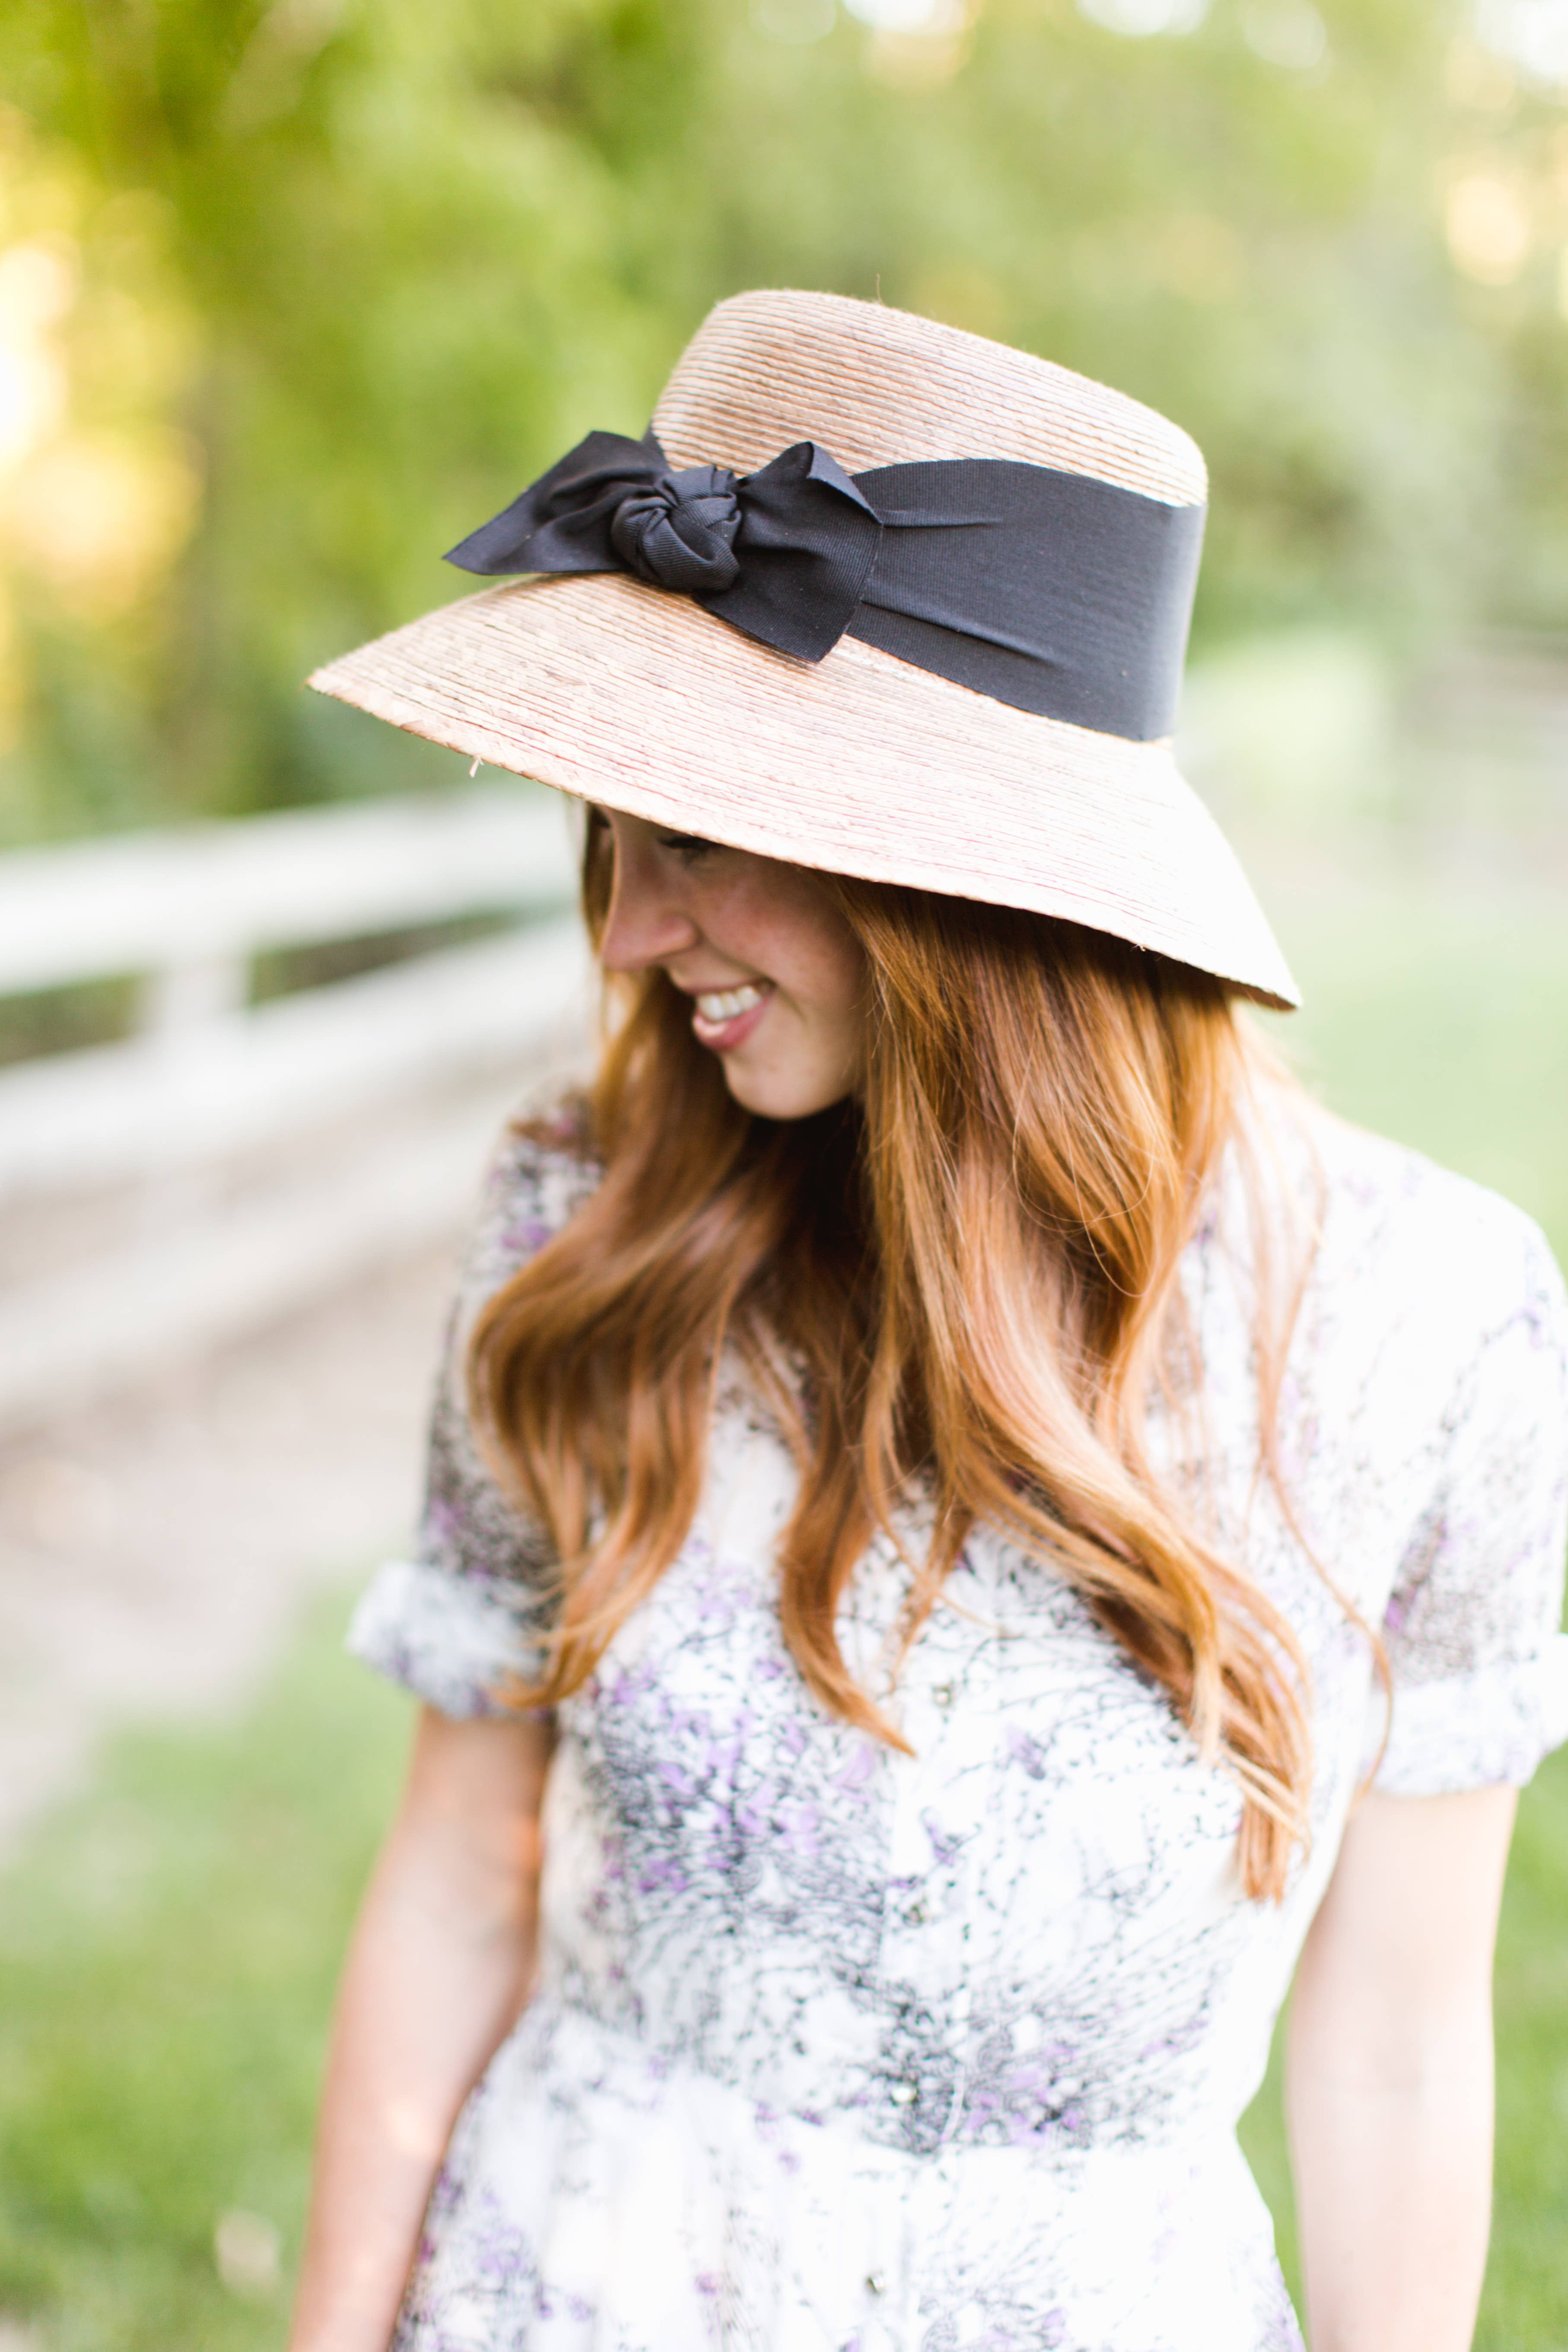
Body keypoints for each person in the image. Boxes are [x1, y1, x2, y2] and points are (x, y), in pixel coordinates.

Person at [287, 291, 1568, 2352]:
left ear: (951, 881)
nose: (622, 929)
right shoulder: (585, 1226)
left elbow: (1402, 2044)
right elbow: (458, 1869)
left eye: (689, 836)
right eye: (607, 836)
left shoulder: (1432, 1336)